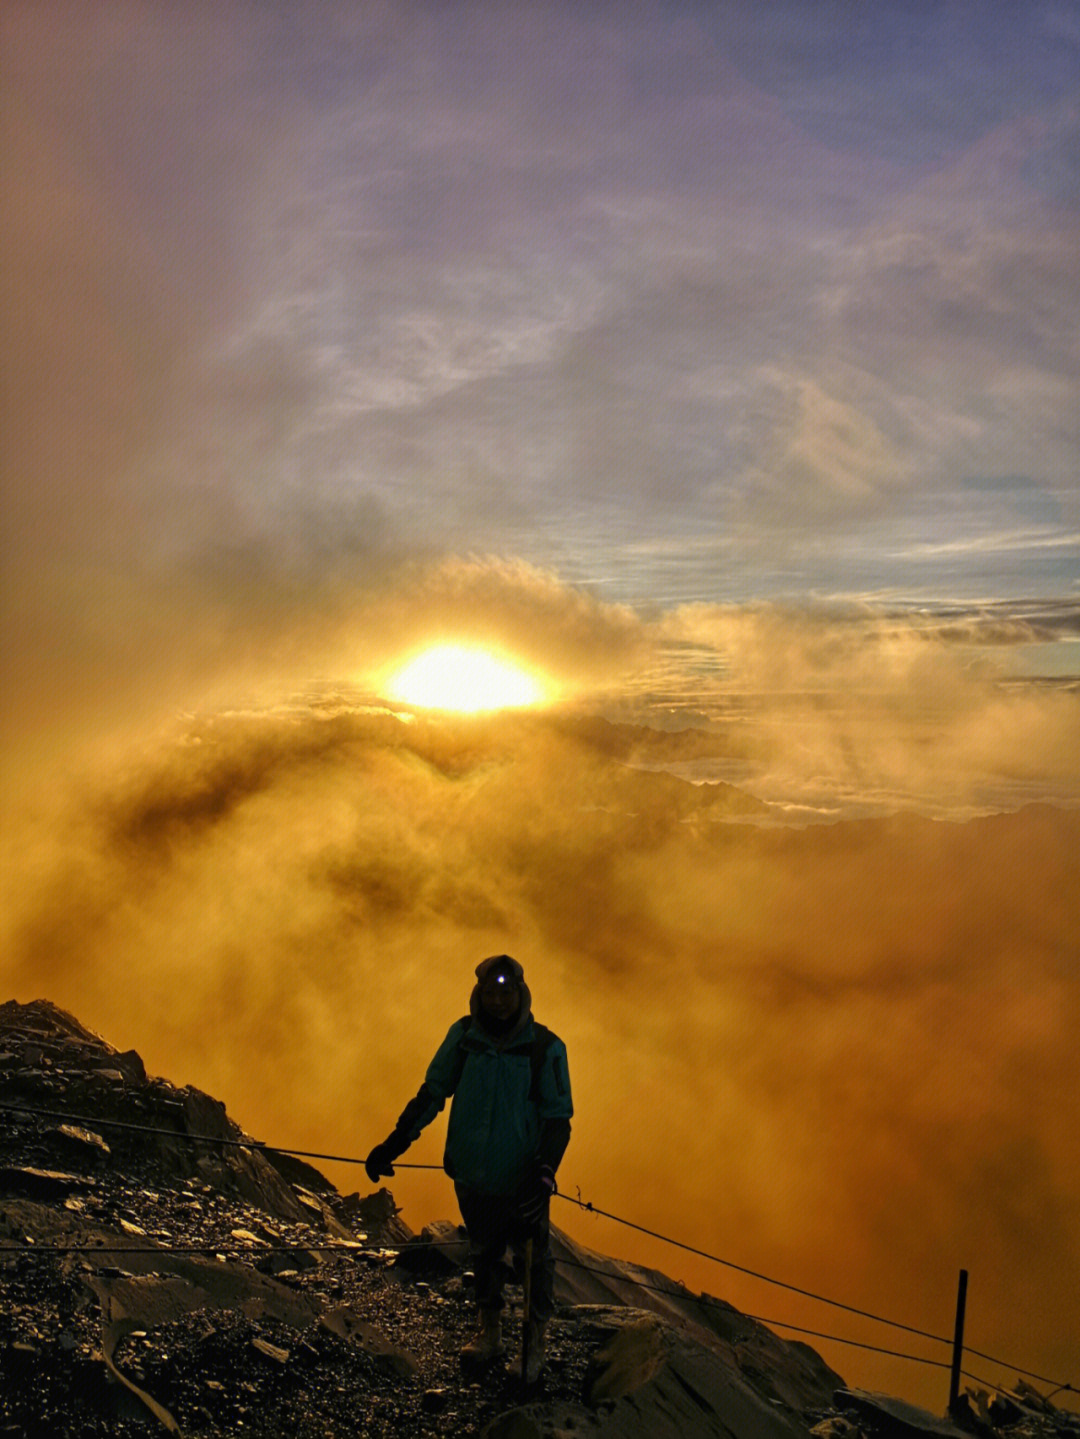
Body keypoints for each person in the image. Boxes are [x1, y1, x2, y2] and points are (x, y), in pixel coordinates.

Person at [365, 954, 572, 1380]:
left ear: (520, 993)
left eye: (505, 992)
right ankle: (491, 1332)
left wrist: (544, 1173)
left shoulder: (544, 1048)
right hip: (473, 1176)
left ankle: (534, 1346)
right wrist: (393, 1144)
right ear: (479, 994)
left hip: (522, 1180)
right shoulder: (463, 1038)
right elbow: (432, 1094)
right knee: (486, 1255)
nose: (497, 1001)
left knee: (533, 1262)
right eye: (490, 993)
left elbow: (558, 1120)